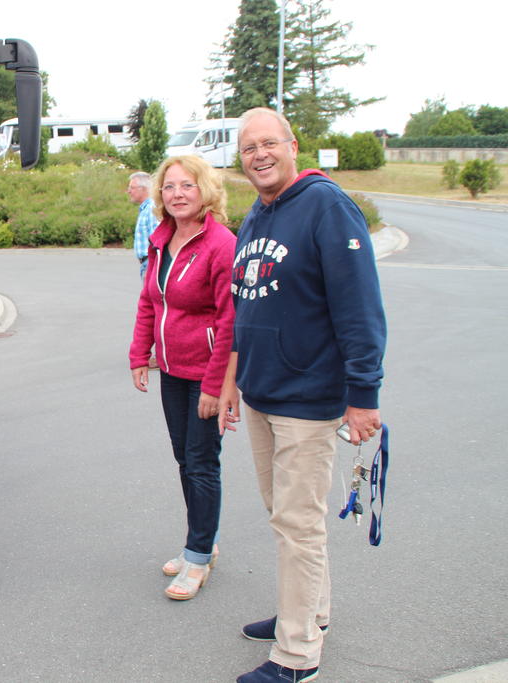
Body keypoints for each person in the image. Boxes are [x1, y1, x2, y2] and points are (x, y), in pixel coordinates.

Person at [218, 108, 386, 683]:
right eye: (248, 148)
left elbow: (360, 308)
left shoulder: (326, 207)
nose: (259, 155)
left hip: (308, 399)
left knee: (298, 525)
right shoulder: (257, 214)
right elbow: (244, 305)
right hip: (263, 394)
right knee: (288, 518)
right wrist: (234, 381)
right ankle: (308, 613)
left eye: (269, 143)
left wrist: (363, 395)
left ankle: (297, 655)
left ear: (292, 146)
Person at [129, 156, 235, 601]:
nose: (177, 194)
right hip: (172, 371)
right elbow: (150, 301)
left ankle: (198, 556)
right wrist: (140, 353)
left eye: (187, 185)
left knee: (202, 462)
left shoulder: (221, 244)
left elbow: (230, 321)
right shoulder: (163, 239)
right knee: (184, 459)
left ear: (204, 190)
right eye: (169, 186)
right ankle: (202, 540)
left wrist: (215, 386)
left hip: (205, 372)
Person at [127, 171, 156, 278]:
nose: (129, 191)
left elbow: (157, 242)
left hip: (151, 264)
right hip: (147, 263)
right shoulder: (145, 209)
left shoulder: (152, 209)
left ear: (143, 188)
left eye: (132, 187)